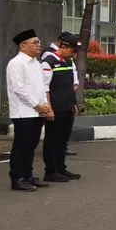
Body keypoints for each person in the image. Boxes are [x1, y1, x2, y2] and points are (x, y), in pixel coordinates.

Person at [5, 29, 50, 191]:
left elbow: (41, 87)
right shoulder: (16, 63)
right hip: (23, 113)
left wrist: (44, 106)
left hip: (37, 112)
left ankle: (28, 175)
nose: (39, 45)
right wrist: (36, 105)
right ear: (23, 45)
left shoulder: (36, 63)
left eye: (39, 42)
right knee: (21, 146)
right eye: (35, 43)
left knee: (31, 146)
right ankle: (17, 178)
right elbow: (18, 88)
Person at [39, 33, 82, 183]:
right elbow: (45, 89)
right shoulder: (48, 62)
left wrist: (73, 104)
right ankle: (50, 171)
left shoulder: (68, 62)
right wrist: (48, 108)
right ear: (62, 47)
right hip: (55, 109)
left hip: (67, 107)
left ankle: (60, 168)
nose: (74, 54)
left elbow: (69, 86)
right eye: (72, 51)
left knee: (63, 140)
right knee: (52, 140)